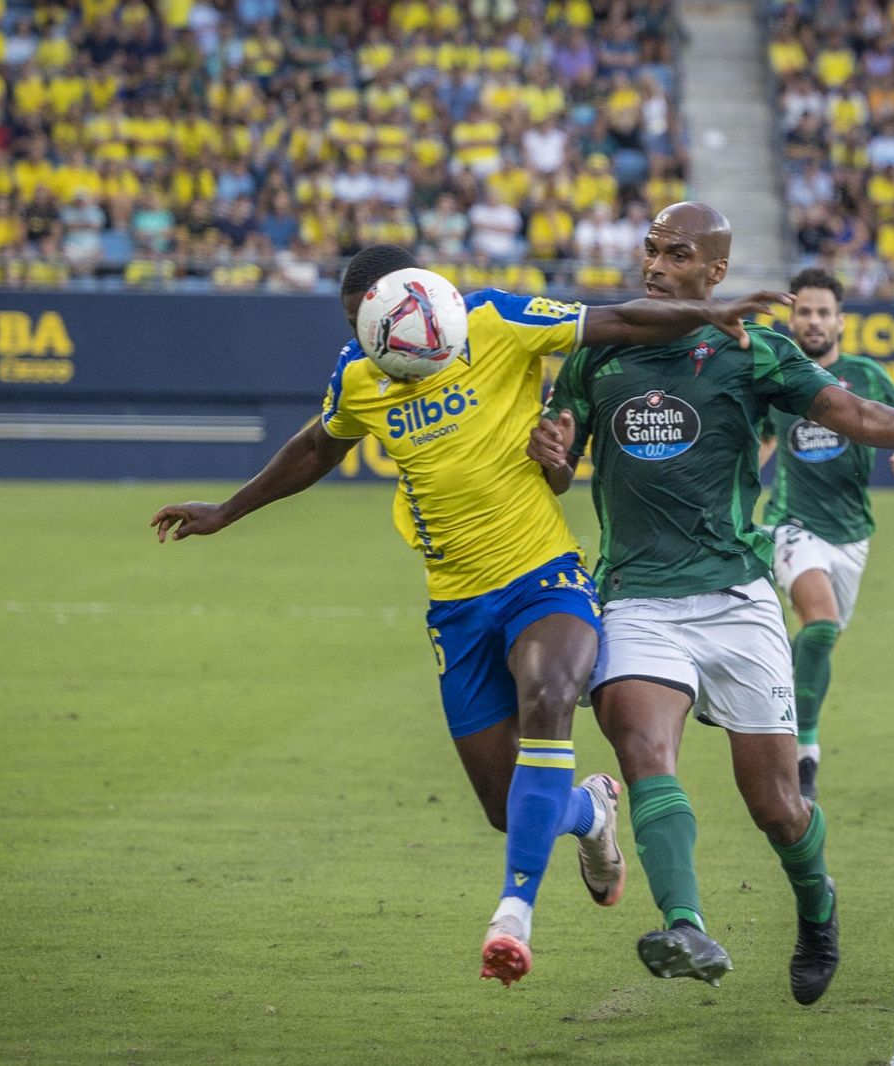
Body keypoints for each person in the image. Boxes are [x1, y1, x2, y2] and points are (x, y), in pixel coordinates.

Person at [149, 244, 785, 988]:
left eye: (372, 319)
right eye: (359, 326)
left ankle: (512, 919)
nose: (371, 339)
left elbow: (617, 320)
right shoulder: (359, 373)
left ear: (414, 299)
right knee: (503, 807)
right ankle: (586, 812)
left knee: (550, 702)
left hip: (544, 574)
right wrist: (228, 510)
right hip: (456, 601)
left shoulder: (494, 318)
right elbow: (320, 445)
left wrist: (707, 311)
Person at [529, 203, 894, 1004]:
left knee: (778, 807)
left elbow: (849, 413)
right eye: (649, 250)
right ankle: (684, 923)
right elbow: (559, 458)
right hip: (636, 597)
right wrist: (548, 456)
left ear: (714, 271)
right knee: (644, 751)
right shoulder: (598, 351)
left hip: (734, 596)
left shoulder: (754, 351)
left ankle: (817, 907)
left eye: (676, 254)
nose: (654, 264)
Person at [757, 268, 894, 801]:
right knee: (823, 624)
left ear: (840, 322)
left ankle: (767, 671)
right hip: (792, 523)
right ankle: (804, 753)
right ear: (792, 318)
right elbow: (755, 446)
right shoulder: (779, 376)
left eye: (823, 312)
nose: (813, 321)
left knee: (818, 640)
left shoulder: (867, 377)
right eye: (804, 311)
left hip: (852, 534)